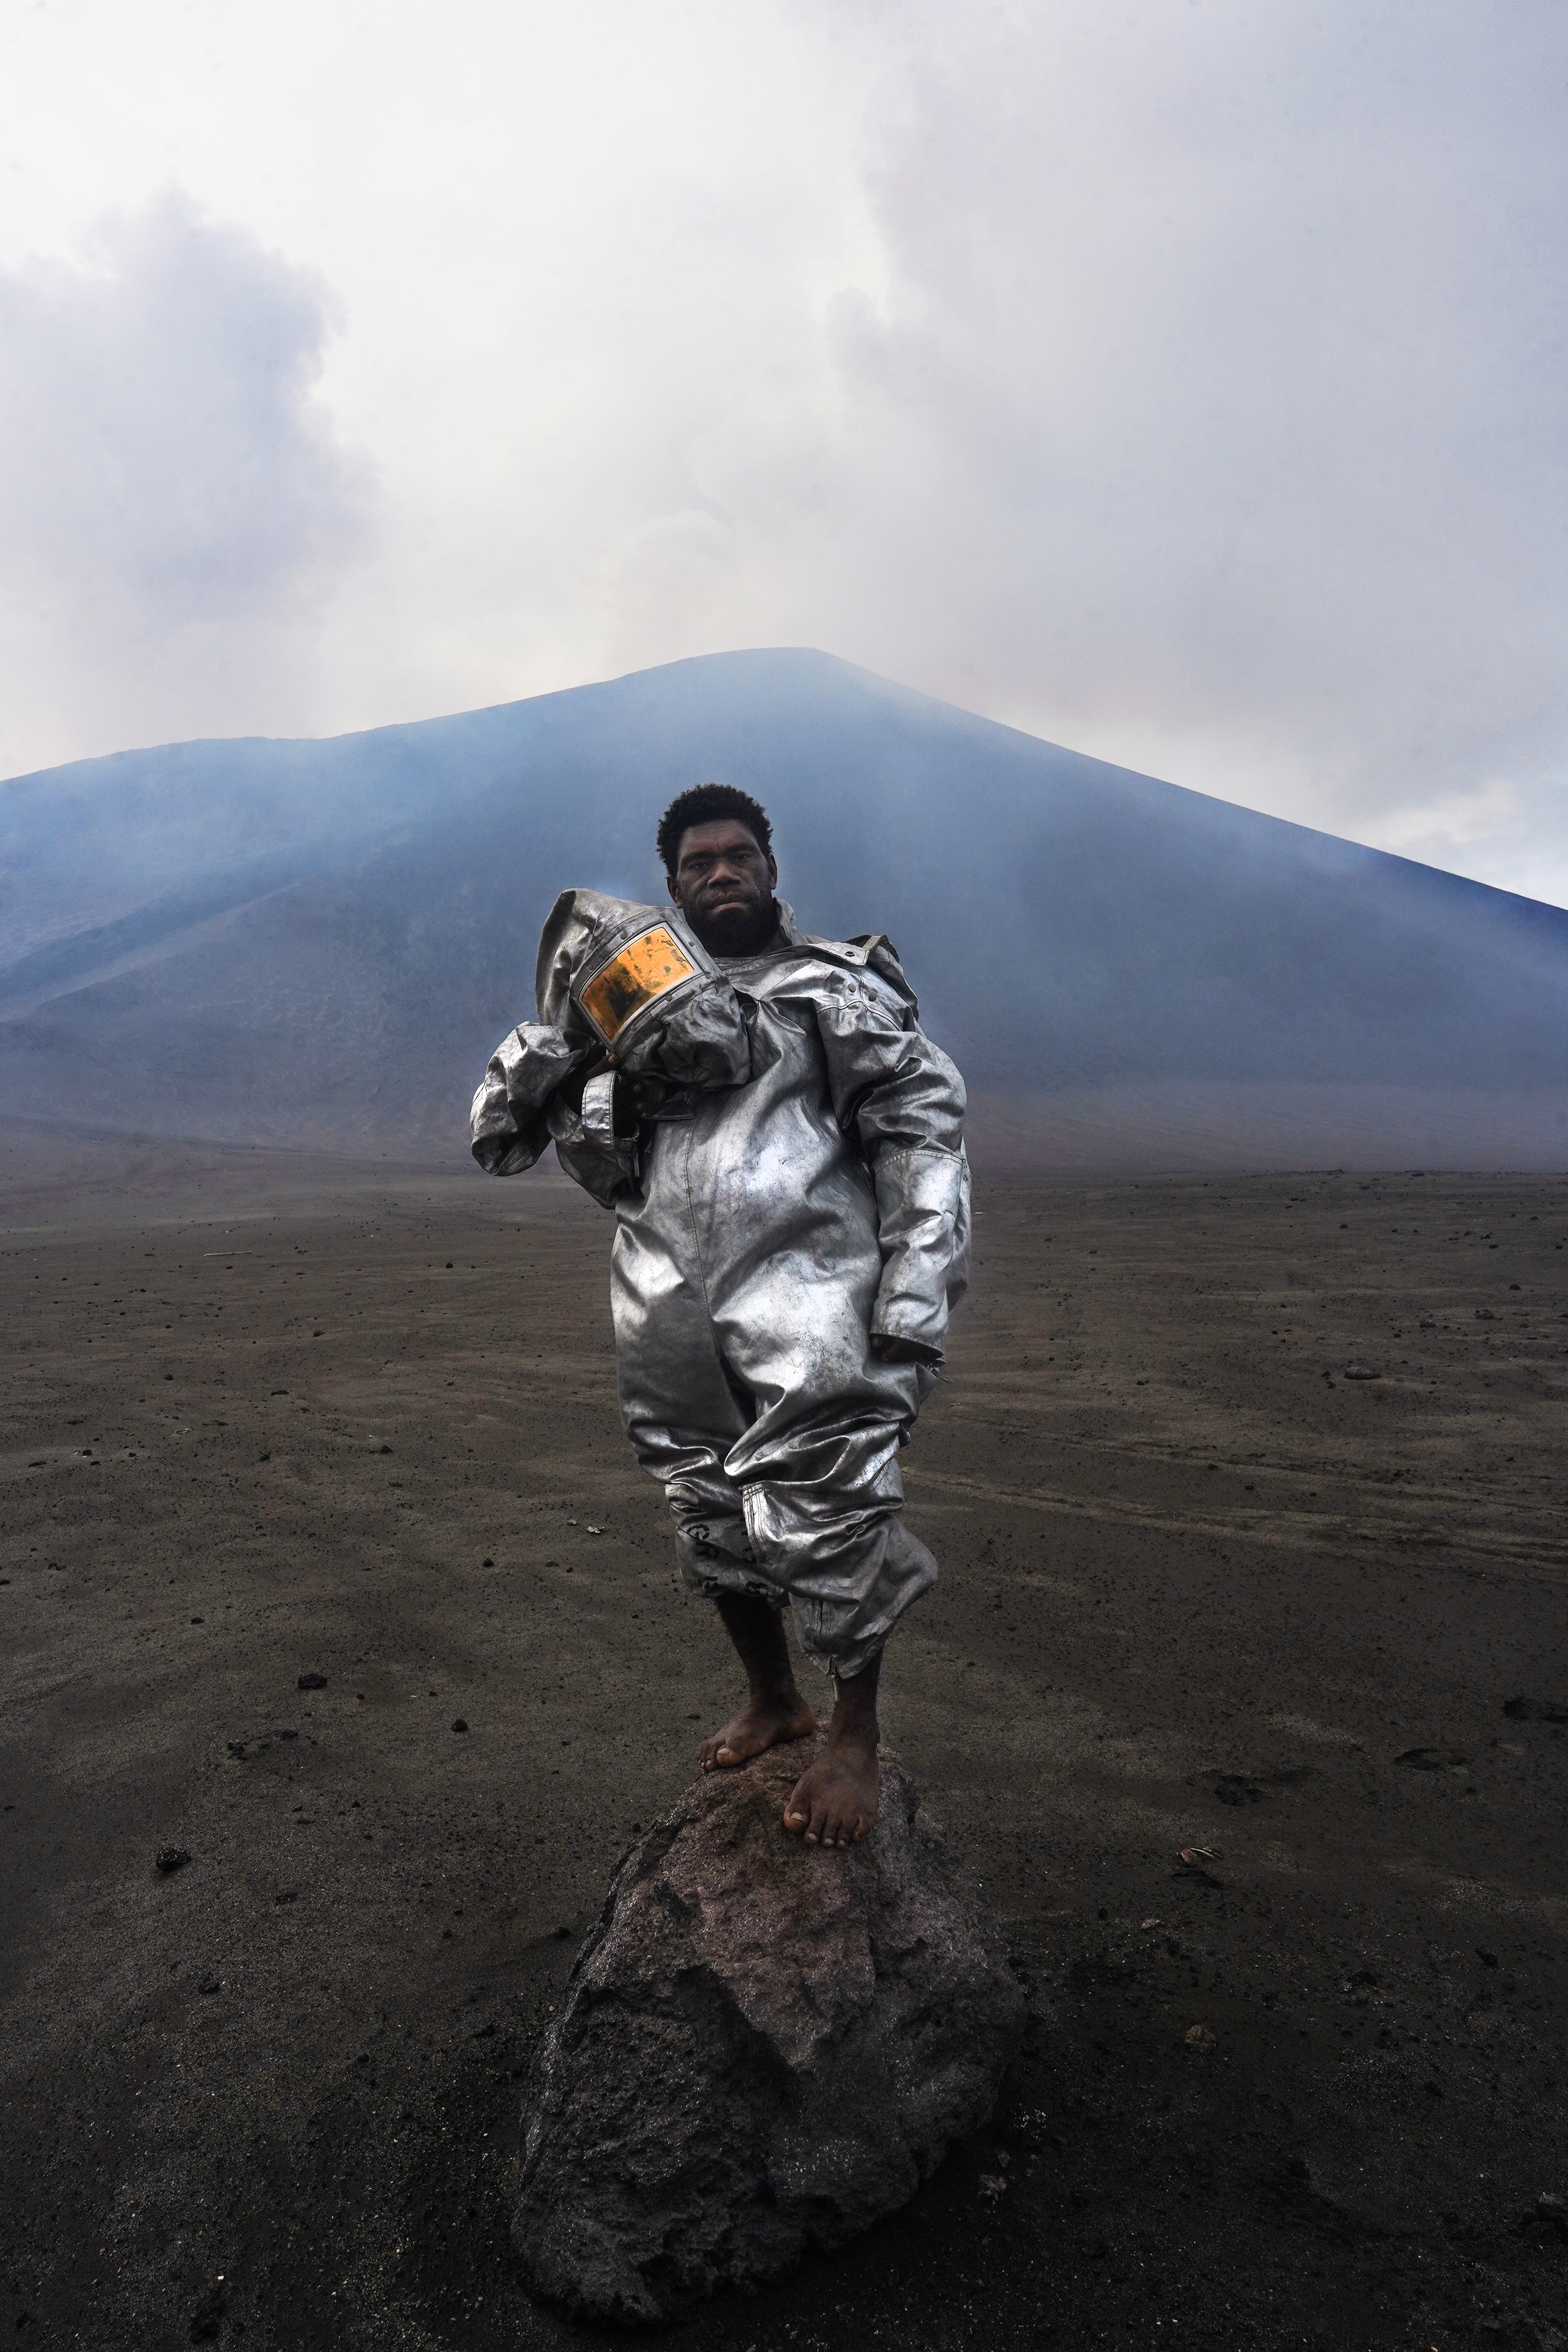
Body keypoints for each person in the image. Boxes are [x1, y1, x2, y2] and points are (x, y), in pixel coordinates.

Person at [470, 783, 969, 1847]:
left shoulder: (832, 990)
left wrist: (916, 1291)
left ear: (772, 868)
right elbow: (509, 1132)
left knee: (827, 1499)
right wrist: (567, 1052)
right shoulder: (616, 1002)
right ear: (671, 888)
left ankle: (854, 1736)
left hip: (810, 1287)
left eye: (738, 855)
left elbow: (920, 1135)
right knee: (702, 1497)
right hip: (662, 1290)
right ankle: (772, 1695)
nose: (721, 874)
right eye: (698, 865)